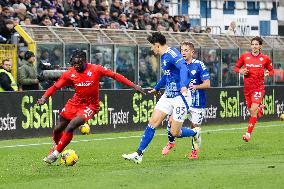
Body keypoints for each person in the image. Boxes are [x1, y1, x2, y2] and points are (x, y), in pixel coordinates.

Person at [37, 50, 145, 164]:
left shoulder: (96, 69)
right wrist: (44, 97)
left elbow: (114, 75)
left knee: (71, 126)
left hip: (90, 106)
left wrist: (133, 85)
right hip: (74, 103)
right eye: (74, 64)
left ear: (85, 61)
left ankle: (54, 155)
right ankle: (59, 147)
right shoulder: (70, 73)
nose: (76, 66)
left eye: (78, 64)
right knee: (58, 129)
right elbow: (55, 87)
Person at [122, 32, 200, 164]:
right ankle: (139, 154)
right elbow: (166, 75)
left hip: (181, 97)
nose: (151, 49)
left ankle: (194, 133)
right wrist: (157, 87)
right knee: (152, 122)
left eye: (152, 46)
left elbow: (183, 69)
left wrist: (183, 86)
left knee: (175, 132)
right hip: (168, 95)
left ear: (157, 45)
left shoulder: (172, 54)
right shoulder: (164, 57)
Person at [161, 41, 210, 159]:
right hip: (181, 100)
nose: (183, 52)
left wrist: (196, 86)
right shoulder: (178, 64)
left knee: (195, 128)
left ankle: (194, 151)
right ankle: (171, 142)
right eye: (182, 50)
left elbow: (207, 84)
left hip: (197, 102)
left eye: (186, 50)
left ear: (192, 52)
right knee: (171, 120)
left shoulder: (199, 65)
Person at [234, 36, 274, 142]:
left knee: (252, 110)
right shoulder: (244, 56)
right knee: (252, 111)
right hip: (247, 88)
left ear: (260, 46)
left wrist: (267, 73)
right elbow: (236, 68)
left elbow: (271, 71)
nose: (254, 46)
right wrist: (241, 71)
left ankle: (248, 134)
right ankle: (260, 107)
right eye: (253, 44)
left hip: (258, 88)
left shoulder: (265, 58)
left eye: (256, 44)